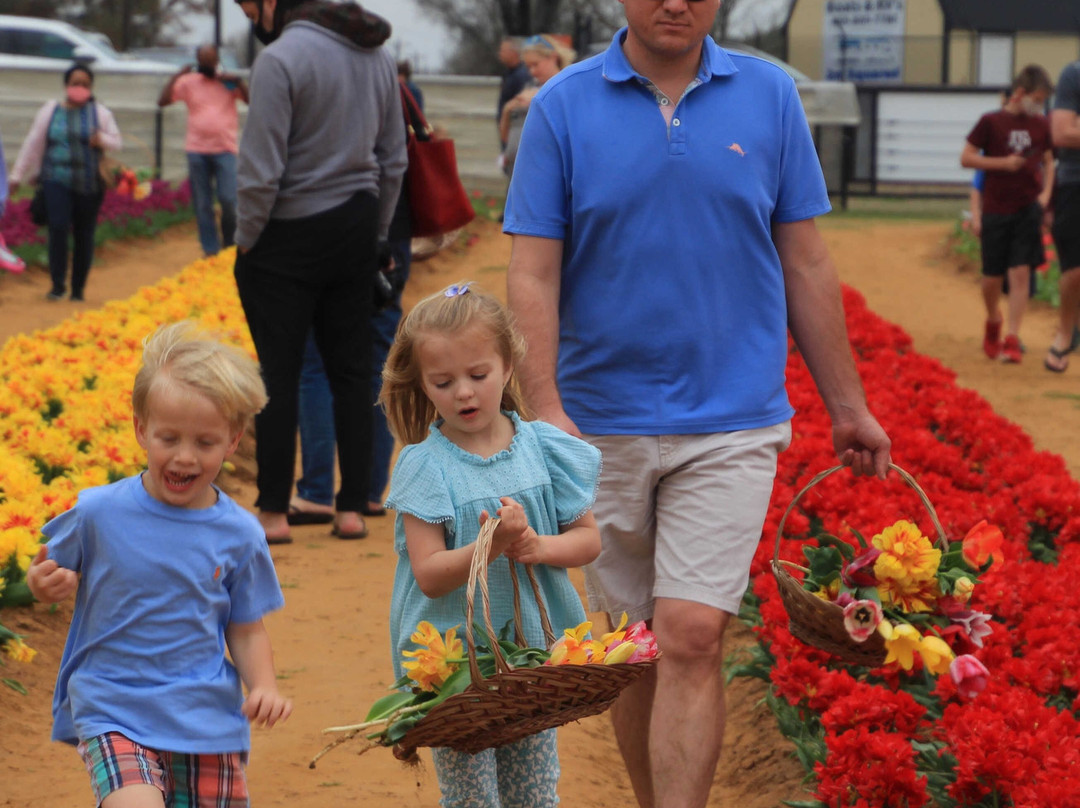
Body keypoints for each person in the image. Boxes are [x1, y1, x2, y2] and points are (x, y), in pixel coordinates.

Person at [502, 2, 891, 807]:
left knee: (692, 634)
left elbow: (806, 260)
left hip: (733, 418)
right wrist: (543, 405)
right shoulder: (563, 107)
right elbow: (533, 271)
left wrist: (848, 406)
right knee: (634, 643)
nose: (675, 3)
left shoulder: (770, 94)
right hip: (598, 421)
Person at [24, 321, 292, 807]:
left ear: (232, 441)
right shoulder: (97, 512)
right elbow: (48, 570)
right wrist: (42, 585)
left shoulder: (239, 534)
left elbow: (246, 627)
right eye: (169, 438)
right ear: (141, 428)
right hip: (112, 704)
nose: (184, 457)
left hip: (203, 716)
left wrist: (265, 685)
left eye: (205, 443)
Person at [379, 282, 602, 806]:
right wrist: (491, 544)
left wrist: (536, 547)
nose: (464, 392)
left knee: (535, 792)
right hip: (455, 668)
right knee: (472, 798)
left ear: (508, 364)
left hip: (529, 661)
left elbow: (588, 541)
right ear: (423, 385)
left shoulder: (544, 448)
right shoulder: (424, 466)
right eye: (443, 381)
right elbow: (429, 571)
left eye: (478, 375)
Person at [232, 0, 407, 544]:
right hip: (355, 225)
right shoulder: (374, 53)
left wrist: (246, 242)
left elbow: (261, 172)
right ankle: (352, 508)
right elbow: (394, 157)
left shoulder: (279, 60)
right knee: (352, 371)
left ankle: (275, 514)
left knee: (278, 376)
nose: (248, 17)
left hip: (286, 232)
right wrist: (376, 233)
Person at [961, 64, 1054, 365]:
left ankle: (1013, 337)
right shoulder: (991, 122)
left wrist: (1045, 196)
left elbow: (1050, 162)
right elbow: (967, 157)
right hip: (996, 209)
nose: (1039, 105)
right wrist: (1003, 164)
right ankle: (993, 321)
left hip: (1027, 209)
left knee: (1020, 272)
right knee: (991, 278)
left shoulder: (1041, 126)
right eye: (1037, 98)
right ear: (1020, 93)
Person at [10, 63, 121, 301]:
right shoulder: (51, 111)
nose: (79, 88)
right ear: (66, 86)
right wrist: (17, 175)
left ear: (91, 88)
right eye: (75, 83)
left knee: (84, 234)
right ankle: (57, 285)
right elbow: (33, 143)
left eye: (84, 84)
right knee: (58, 227)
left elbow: (117, 141)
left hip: (89, 183)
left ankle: (78, 289)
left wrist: (101, 139)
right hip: (55, 179)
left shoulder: (100, 113)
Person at [158, 44, 249, 257]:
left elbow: (250, 100)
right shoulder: (189, 82)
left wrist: (240, 83)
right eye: (203, 60)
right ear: (198, 61)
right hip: (196, 150)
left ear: (217, 60)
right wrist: (177, 76)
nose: (207, 64)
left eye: (211, 59)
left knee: (228, 199)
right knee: (202, 203)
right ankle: (210, 249)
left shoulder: (227, 81)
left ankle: (229, 243)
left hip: (225, 149)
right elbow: (162, 101)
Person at [499, 34, 576, 180]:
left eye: (535, 64)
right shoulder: (528, 87)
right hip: (518, 171)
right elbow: (505, 136)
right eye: (528, 67)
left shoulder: (569, 85)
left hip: (548, 172)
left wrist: (538, 99)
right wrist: (507, 109)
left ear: (553, 57)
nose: (532, 71)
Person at [1046, 58, 1080, 373]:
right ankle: (1066, 332)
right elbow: (1062, 133)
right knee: (1075, 271)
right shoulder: (1074, 73)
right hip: (1075, 182)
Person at [496, 37, 531, 150]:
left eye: (503, 50)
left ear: (514, 52)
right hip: (508, 131)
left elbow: (521, 106)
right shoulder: (509, 74)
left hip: (516, 134)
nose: (500, 54)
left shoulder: (521, 75)